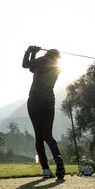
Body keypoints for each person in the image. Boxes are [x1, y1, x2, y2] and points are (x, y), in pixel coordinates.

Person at [22, 45, 65, 180]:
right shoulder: (57, 67)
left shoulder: (43, 60)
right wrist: (34, 54)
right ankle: (58, 157)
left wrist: (29, 52)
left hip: (35, 100)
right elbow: (32, 69)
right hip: (49, 101)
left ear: (47, 54)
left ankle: (46, 169)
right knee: (48, 135)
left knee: (39, 137)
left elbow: (25, 65)